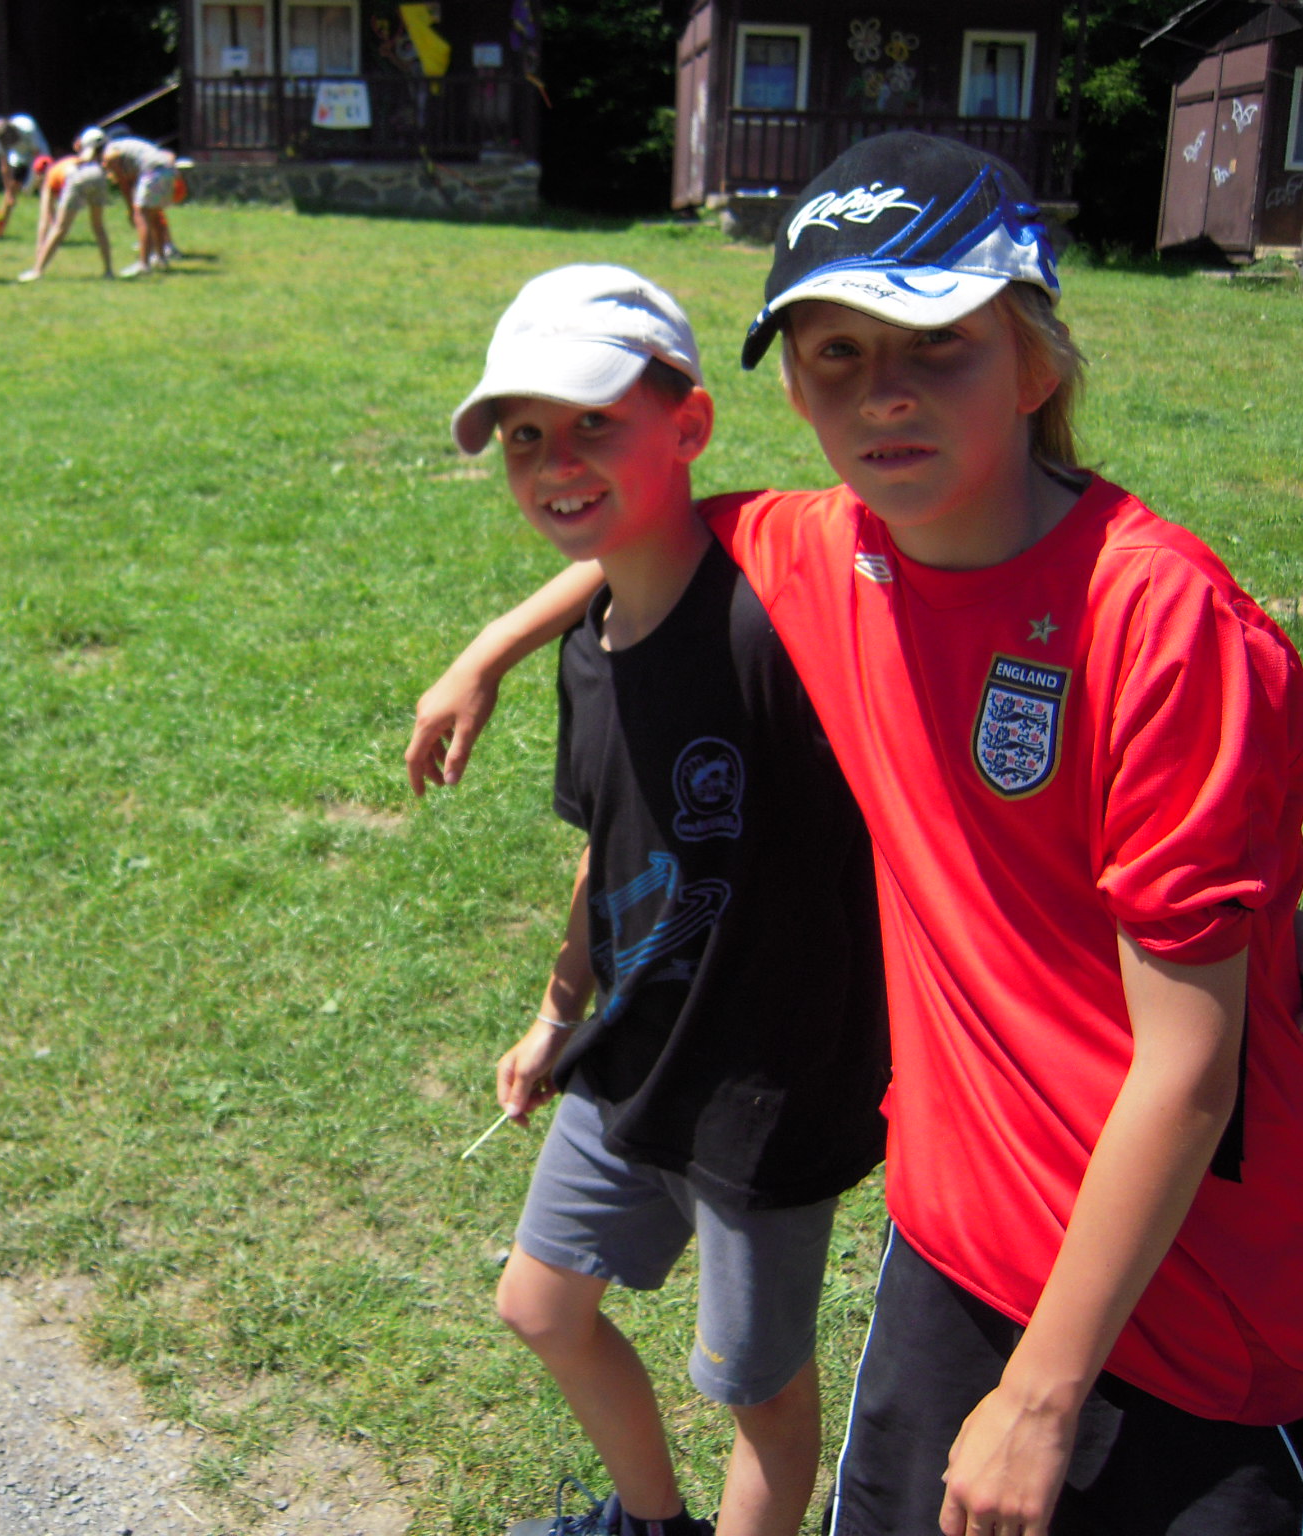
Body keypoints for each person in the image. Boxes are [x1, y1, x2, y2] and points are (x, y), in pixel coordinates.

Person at [409, 133, 1303, 1536]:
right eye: (837, 354)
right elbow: (661, 530)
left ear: (1033, 363)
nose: (884, 393)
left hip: (1174, 1313)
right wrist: (484, 653)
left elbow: (1186, 1070)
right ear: (793, 387)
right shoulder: (825, 553)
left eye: (937, 344)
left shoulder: (1158, 622)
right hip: (953, 1254)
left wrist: (1039, 1399)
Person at [442, 265, 891, 1536]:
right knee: (538, 1302)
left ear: (688, 425)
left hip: (762, 1095)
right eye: (523, 436)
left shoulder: (772, 622)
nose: (554, 462)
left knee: (756, 1391)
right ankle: (649, 1525)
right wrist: (554, 1013)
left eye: (594, 422)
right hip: (631, 1055)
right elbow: (612, 846)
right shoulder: (589, 649)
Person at [18, 129, 114, 282]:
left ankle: (37, 271)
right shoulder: (73, 160)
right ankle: (109, 271)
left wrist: (39, 249)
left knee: (60, 228)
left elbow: (45, 221)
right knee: (98, 226)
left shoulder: (50, 177)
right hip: (99, 176)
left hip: (77, 178)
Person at [96, 131, 177, 274]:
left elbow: (124, 184)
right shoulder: (120, 147)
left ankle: (144, 264)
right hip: (167, 170)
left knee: (141, 216)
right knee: (154, 215)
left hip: (152, 171)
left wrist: (131, 210)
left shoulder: (109, 153)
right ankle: (161, 258)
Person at [0, 112, 50, 233]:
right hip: (20, 156)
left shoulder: (27, 127)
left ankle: (51, 228)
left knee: (45, 189)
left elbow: (36, 157)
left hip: (38, 154)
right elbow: (5, 167)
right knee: (12, 188)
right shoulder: (0, 138)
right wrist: (9, 192)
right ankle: (0, 229)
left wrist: (30, 184)